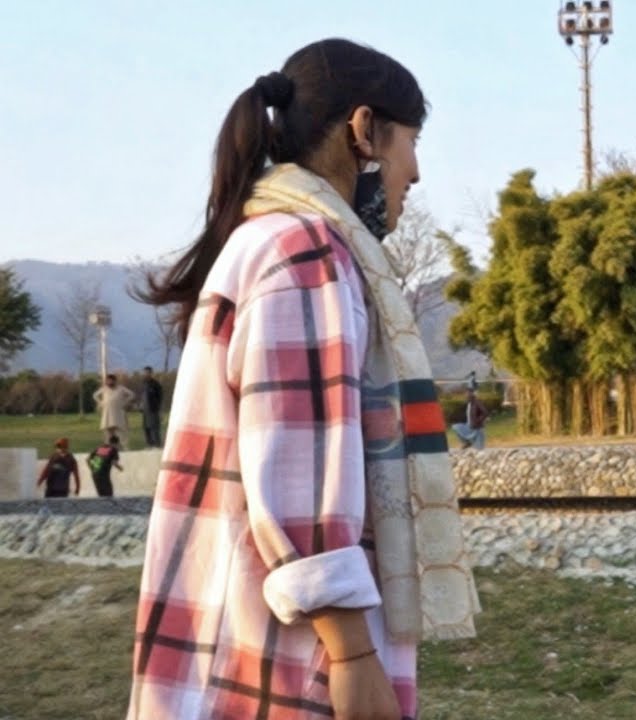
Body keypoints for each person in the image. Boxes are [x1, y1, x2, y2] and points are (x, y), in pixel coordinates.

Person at [128, 39, 479, 720]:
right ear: (365, 132)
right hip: (289, 668)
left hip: (238, 640)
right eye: (410, 141)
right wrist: (352, 659)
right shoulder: (307, 253)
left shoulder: (265, 240)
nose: (416, 171)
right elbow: (300, 485)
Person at [93, 373, 135, 449]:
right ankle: (108, 448)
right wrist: (101, 403)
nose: (109, 382)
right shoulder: (104, 389)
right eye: (107, 381)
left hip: (118, 413)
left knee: (121, 432)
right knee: (107, 433)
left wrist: (124, 402)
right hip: (107, 414)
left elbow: (131, 394)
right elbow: (95, 395)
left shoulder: (121, 388)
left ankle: (125, 448)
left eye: (111, 381)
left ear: (115, 381)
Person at [140, 366, 164, 447]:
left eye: (148, 372)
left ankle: (157, 445)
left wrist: (159, 409)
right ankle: (149, 444)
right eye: (145, 372)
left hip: (153, 410)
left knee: (154, 427)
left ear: (151, 373)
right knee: (146, 428)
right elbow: (141, 396)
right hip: (145, 411)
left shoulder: (155, 384)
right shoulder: (143, 383)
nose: (146, 374)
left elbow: (160, 397)